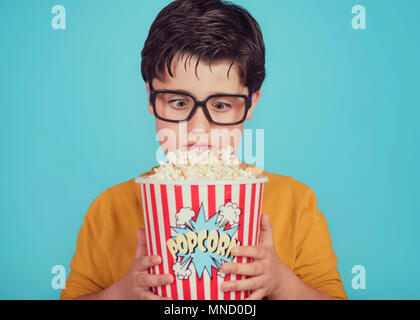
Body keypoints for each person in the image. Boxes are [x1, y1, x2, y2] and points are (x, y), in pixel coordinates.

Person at [60, 0, 347, 300]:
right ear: (150, 98)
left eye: (221, 105)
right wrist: (122, 293)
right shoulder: (109, 211)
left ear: (251, 103)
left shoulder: (296, 205)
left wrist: (282, 285)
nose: (198, 129)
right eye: (179, 103)